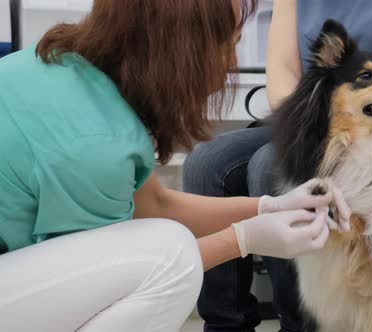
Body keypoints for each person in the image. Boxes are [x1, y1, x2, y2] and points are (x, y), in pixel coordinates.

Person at [0, 1, 351, 331]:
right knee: (171, 258)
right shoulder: (96, 146)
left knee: (167, 244)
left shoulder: (64, 69)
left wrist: (267, 207)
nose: (231, 64)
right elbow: (99, 282)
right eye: (230, 46)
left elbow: (153, 205)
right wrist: (243, 239)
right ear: (182, 51)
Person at [183, 0, 372, 331]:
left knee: (267, 168)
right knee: (206, 163)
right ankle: (225, 325)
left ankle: (301, 324)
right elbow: (284, 66)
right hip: (321, 120)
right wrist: (307, 127)